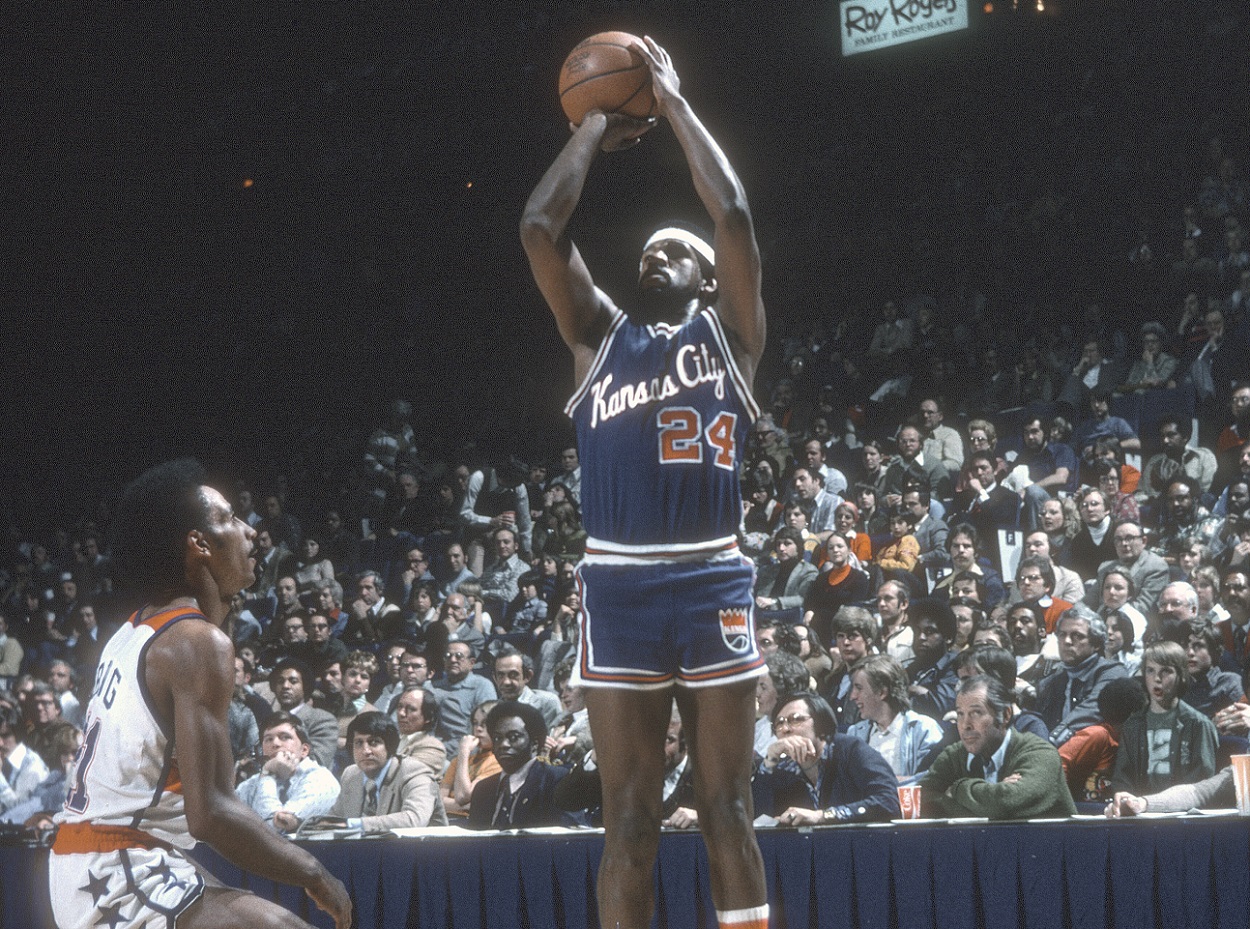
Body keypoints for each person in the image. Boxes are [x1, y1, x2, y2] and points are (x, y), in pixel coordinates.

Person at [521, 37, 769, 929]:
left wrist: (668, 104)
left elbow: (733, 210)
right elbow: (539, 229)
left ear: (707, 279)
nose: (656, 256)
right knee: (627, 821)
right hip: (619, 579)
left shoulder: (730, 341)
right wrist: (591, 124)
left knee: (725, 812)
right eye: (651, 251)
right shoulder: (598, 336)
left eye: (677, 251)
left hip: (711, 574)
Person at [49, 459, 351, 929]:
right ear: (200, 544)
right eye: (229, 519)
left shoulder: (134, 631)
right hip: (115, 859)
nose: (250, 531)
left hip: (99, 855)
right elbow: (210, 814)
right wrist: (313, 872)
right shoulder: (194, 642)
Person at [920, 675, 1077, 819]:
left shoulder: (1041, 753)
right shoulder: (954, 755)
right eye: (960, 714)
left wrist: (957, 788)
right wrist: (989, 802)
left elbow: (1008, 802)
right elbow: (922, 798)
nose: (965, 725)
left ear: (1006, 715)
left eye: (976, 713)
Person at [754, 692, 900, 824]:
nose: (785, 729)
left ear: (820, 723)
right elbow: (756, 816)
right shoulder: (782, 768)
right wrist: (769, 762)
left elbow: (889, 800)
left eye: (796, 719)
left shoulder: (850, 749)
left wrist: (824, 816)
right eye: (779, 723)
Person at [1109, 641, 1218, 796]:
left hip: (1182, 812)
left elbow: (1203, 780)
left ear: (1181, 676)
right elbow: (1122, 777)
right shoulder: (1133, 725)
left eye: (1166, 671)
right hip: (1140, 811)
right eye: (1150, 670)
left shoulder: (1197, 724)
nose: (1157, 678)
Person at [325, 711, 448, 833]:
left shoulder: (415, 773)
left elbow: (414, 820)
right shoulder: (351, 774)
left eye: (373, 742)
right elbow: (336, 817)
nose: (366, 751)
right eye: (358, 743)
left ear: (389, 745)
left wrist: (356, 824)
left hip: (419, 850)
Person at [466, 701, 573, 830]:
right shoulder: (483, 789)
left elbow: (571, 840)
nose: (503, 744)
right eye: (497, 738)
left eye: (514, 737)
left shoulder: (556, 780)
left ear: (534, 744)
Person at [1035, 605, 1131, 746]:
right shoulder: (1051, 681)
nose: (1067, 641)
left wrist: (1051, 741)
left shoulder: (1113, 673)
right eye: (1062, 634)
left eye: (1077, 636)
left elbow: (1091, 710)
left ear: (1097, 643)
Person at [234, 712, 340, 834]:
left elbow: (275, 830)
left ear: (304, 750)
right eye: (268, 739)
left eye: (285, 737)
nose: (275, 744)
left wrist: (267, 775)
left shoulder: (321, 780)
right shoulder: (251, 783)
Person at [845, 655, 944, 782]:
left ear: (882, 692)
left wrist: (883, 784)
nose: (852, 696)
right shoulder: (855, 733)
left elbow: (932, 780)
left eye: (859, 688)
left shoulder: (923, 729)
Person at [1059, 677, 1148, 804]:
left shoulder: (1133, 744)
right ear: (1133, 714)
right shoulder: (1098, 735)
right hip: (1082, 812)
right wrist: (1064, 804)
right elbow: (1057, 764)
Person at [392, 685, 448, 777]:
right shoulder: (392, 739)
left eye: (411, 709)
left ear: (427, 718)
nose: (401, 713)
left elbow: (405, 776)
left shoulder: (433, 747)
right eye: (399, 706)